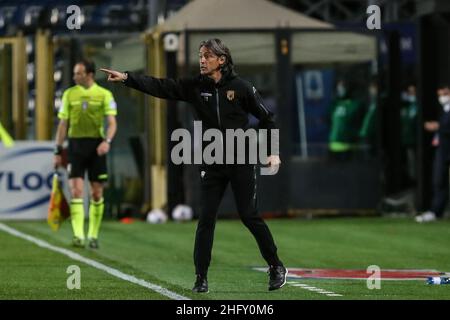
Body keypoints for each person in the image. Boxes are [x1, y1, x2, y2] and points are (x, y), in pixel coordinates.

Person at [100, 38, 287, 293]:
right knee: (206, 218)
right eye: (200, 55)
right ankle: (201, 277)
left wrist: (272, 152)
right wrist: (126, 78)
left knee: (249, 216)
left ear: (221, 60)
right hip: (211, 161)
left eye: (207, 56)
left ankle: (276, 266)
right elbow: (161, 86)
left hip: (241, 159)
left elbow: (268, 119)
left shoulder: (242, 88)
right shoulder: (194, 87)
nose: (202, 60)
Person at [53, 59, 117, 248]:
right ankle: (78, 235)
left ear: (89, 75)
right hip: (75, 147)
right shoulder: (69, 94)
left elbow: (112, 123)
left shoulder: (104, 94)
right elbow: (63, 124)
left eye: (78, 73)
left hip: (97, 146)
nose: (74, 77)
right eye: (75, 73)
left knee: (96, 193)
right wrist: (58, 150)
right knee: (76, 191)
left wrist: (107, 142)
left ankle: (93, 235)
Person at [416, 84, 450, 223]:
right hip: (443, 150)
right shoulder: (445, 110)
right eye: (440, 94)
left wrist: (439, 126)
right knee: (439, 180)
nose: (442, 97)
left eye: (445, 93)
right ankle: (436, 211)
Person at [328, 79, 361, 161]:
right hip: (333, 146)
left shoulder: (356, 105)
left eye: (343, 86)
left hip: (349, 146)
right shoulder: (335, 104)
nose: (340, 89)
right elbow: (329, 120)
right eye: (339, 87)